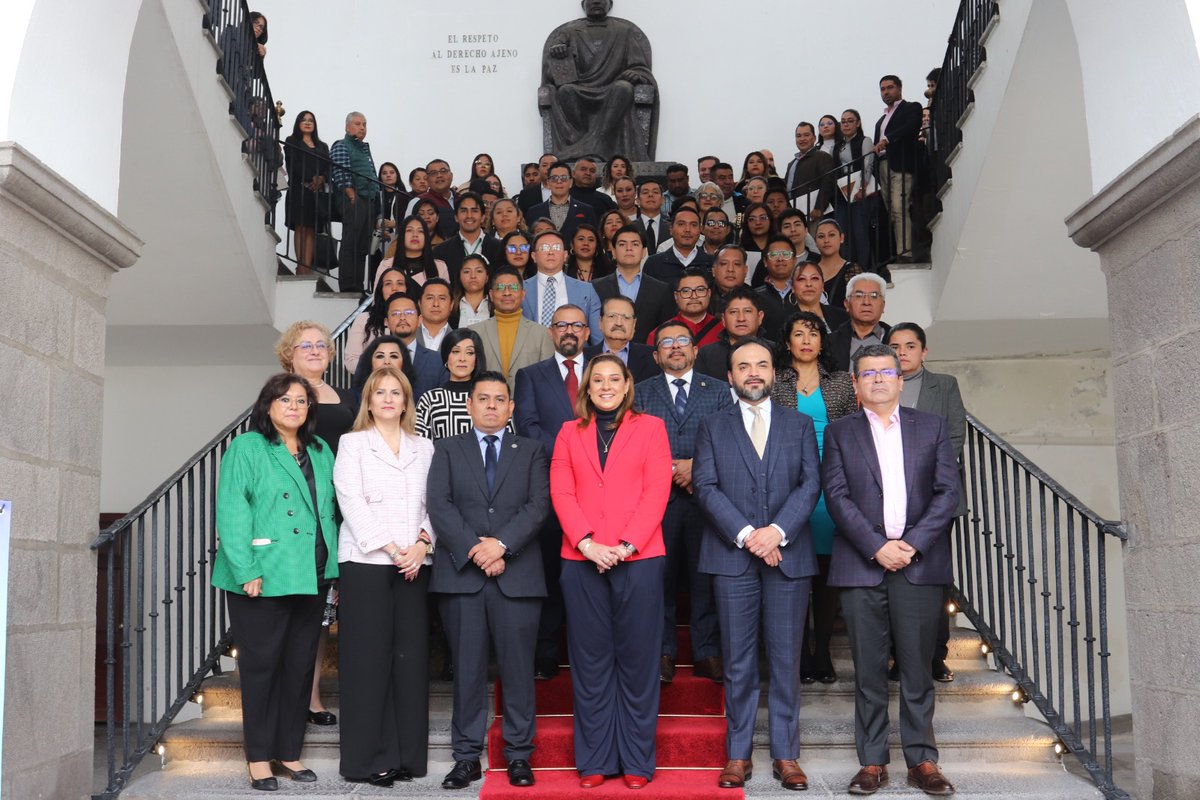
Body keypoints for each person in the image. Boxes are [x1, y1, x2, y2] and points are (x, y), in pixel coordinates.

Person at [822, 344, 961, 796]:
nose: (878, 379)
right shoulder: (840, 432)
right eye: (868, 373)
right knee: (867, 670)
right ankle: (872, 761)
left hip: (918, 566)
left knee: (918, 668)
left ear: (902, 381)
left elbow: (947, 494)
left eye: (887, 371)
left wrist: (912, 545)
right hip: (862, 567)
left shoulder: (932, 427)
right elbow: (837, 496)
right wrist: (877, 547)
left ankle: (922, 759)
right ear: (856, 385)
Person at [692, 338, 821, 792]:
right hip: (733, 558)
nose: (752, 372)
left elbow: (811, 485)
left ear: (774, 372)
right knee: (739, 662)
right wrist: (750, 536)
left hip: (788, 556)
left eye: (761, 365)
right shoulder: (712, 425)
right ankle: (738, 754)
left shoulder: (800, 424)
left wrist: (777, 532)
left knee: (786, 661)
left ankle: (786, 755)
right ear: (729, 376)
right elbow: (705, 487)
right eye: (742, 366)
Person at [550, 354, 673, 789]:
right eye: (596, 379)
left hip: (638, 558)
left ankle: (637, 761)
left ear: (626, 385)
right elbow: (561, 490)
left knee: (638, 663)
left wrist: (623, 547)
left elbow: (657, 491)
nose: (605, 385)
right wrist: (586, 543)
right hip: (581, 560)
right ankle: (595, 759)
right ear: (587, 388)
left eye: (612, 379)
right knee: (590, 664)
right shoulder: (569, 432)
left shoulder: (652, 428)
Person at [211, 373, 338, 790]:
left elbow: (330, 510)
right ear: (268, 405)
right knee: (262, 668)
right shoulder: (247, 447)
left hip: (312, 572)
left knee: (299, 667)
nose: (294, 407)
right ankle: (259, 759)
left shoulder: (319, 450)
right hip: (262, 575)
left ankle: (289, 752)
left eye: (302, 401)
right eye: (285, 400)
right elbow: (232, 510)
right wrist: (246, 570)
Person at [426, 370, 551, 791]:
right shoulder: (445, 449)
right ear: (469, 405)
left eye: (500, 399)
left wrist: (500, 545)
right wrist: (476, 550)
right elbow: (438, 504)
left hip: (518, 576)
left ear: (512, 407)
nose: (492, 406)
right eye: (484, 399)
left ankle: (518, 755)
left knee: (518, 671)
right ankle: (466, 758)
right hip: (462, 577)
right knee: (466, 671)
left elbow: (538, 506)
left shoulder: (532, 450)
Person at [334, 367, 436, 786]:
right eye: (381, 392)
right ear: (369, 401)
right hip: (366, 562)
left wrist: (423, 544)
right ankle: (366, 760)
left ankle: (408, 758)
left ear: (406, 400)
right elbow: (350, 500)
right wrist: (394, 548)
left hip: (416, 564)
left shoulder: (425, 447)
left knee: (409, 662)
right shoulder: (353, 443)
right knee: (367, 663)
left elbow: (438, 501)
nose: (389, 398)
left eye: (397, 392)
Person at [634, 322, 732, 684]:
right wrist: (674, 468)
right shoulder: (640, 393)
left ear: (694, 350)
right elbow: (636, 445)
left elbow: (727, 440)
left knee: (704, 577)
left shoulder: (720, 392)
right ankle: (662, 652)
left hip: (706, 500)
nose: (675, 348)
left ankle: (707, 652)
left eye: (682, 342)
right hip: (656, 503)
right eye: (666, 344)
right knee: (658, 579)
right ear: (656, 355)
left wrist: (697, 468)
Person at [770, 312, 858, 684]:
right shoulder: (774, 381)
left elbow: (854, 434)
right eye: (798, 334)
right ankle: (799, 656)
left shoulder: (840, 383)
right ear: (787, 342)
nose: (807, 340)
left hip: (832, 484)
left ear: (823, 342)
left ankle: (821, 652)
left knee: (825, 575)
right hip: (787, 485)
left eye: (814, 333)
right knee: (794, 575)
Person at [513, 304, 591, 680]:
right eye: (562, 325)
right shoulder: (531, 375)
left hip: (598, 490)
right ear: (550, 333)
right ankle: (545, 655)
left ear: (588, 332)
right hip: (547, 488)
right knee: (548, 573)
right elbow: (526, 425)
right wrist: (569, 456)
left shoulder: (604, 374)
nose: (569, 331)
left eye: (577, 325)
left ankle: (586, 655)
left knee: (588, 576)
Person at [887, 322, 967, 683]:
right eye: (895, 346)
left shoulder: (945, 385)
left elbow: (954, 437)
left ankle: (936, 655)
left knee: (933, 579)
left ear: (923, 351)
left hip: (934, 498)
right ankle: (897, 656)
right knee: (891, 580)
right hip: (886, 500)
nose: (902, 352)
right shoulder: (878, 384)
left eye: (909, 346)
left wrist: (919, 478)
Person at [541, 1, 657, 161]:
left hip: (613, 88)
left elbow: (640, 66)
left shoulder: (624, 32)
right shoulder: (568, 33)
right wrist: (558, 54)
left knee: (623, 87)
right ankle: (586, 142)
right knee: (566, 90)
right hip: (581, 87)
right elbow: (552, 74)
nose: (596, 2)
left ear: (609, 4)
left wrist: (635, 73)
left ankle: (593, 143)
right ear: (584, 5)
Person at [468, 265, 554, 389]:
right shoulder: (474, 332)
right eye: (500, 287)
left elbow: (547, 379)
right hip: (486, 403)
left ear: (523, 294)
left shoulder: (542, 333)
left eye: (513, 287)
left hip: (527, 405)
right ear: (491, 295)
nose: (507, 293)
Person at [352, 292, 446, 401]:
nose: (402, 318)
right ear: (386, 322)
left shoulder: (437, 361)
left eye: (409, 312)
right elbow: (358, 397)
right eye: (396, 313)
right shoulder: (369, 357)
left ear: (420, 320)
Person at [592, 225, 674, 344]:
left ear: (644, 252)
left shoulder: (661, 289)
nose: (629, 248)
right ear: (613, 252)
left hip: (647, 357)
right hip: (606, 357)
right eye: (622, 244)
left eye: (635, 244)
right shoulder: (595, 287)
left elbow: (665, 331)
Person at [873, 75, 925, 262]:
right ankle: (900, 249)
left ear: (900, 88)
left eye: (890, 87)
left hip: (901, 164)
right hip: (883, 166)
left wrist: (887, 139)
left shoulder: (912, 107)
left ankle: (906, 252)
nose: (886, 92)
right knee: (892, 212)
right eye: (883, 89)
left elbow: (911, 126)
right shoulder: (881, 119)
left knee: (899, 207)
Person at [522, 229, 603, 343]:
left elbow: (597, 338)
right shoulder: (520, 289)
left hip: (574, 356)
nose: (550, 252)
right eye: (544, 248)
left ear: (565, 255)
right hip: (531, 357)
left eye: (556, 248)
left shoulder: (586, 290)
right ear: (534, 256)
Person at [415, 328, 493, 440]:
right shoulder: (430, 400)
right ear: (446, 356)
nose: (462, 359)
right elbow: (419, 447)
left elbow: (506, 441)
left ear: (477, 359)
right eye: (456, 351)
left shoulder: (490, 398)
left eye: (469, 353)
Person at [329, 112, 377, 293]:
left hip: (367, 199)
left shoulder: (363, 149)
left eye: (364, 124)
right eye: (357, 124)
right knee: (351, 243)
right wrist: (351, 196)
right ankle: (348, 285)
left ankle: (358, 285)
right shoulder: (341, 145)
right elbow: (340, 172)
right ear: (347, 126)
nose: (362, 127)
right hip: (355, 199)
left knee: (362, 245)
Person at [283, 111, 330, 275]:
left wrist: (322, 178)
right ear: (298, 123)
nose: (308, 123)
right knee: (300, 228)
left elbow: (328, 167)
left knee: (311, 229)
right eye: (304, 120)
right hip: (299, 190)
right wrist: (312, 177)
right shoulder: (291, 141)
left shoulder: (323, 146)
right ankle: (300, 266)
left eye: (311, 120)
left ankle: (307, 267)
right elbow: (293, 165)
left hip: (315, 194)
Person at [833, 109, 877, 268]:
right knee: (844, 235)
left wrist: (862, 188)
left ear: (858, 123)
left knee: (860, 233)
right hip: (843, 195)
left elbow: (868, 163)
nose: (846, 124)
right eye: (843, 121)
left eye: (850, 121)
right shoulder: (837, 146)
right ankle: (848, 270)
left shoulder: (865, 140)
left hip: (860, 193)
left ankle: (865, 268)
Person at [695, 286, 769, 379]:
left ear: (760, 317)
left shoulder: (775, 351)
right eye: (733, 312)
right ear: (723, 319)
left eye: (747, 311)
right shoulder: (706, 355)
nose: (741, 318)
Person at [583, 295, 660, 382]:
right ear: (600, 322)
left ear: (634, 324)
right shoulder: (583, 357)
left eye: (626, 317)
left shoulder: (653, 357)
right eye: (612, 316)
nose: (619, 323)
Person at [344, 267, 407, 374]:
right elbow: (351, 362)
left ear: (407, 289)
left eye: (400, 283)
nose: (394, 288)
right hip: (370, 384)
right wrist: (382, 367)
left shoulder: (414, 320)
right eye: (388, 284)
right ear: (380, 289)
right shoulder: (364, 319)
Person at [828, 272, 892, 372]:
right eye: (858, 295)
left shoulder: (894, 339)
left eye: (874, 296)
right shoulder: (830, 342)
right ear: (847, 304)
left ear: (883, 305)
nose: (866, 302)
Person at [432, 192, 504, 279]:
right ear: (456, 217)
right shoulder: (441, 252)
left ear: (483, 217)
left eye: (474, 211)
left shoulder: (499, 248)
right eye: (464, 211)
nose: (469, 216)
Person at [652, 268, 724, 348]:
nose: (694, 296)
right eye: (686, 291)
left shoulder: (724, 329)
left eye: (700, 290)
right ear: (676, 297)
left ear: (709, 293)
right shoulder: (659, 334)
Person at [524, 161, 597, 239]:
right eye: (554, 178)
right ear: (548, 183)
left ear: (571, 182)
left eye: (564, 178)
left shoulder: (586, 210)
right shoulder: (533, 212)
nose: (559, 182)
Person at [644, 206, 714, 285]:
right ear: (671, 229)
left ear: (700, 230)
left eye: (693, 225)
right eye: (681, 224)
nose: (687, 230)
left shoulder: (712, 263)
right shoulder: (653, 263)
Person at [783, 122, 836, 222]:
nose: (802, 139)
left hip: (814, 215)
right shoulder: (791, 164)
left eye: (806, 135)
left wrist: (819, 207)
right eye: (798, 136)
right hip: (794, 216)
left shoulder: (822, 157)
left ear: (814, 138)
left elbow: (828, 182)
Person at [755, 234, 801, 340]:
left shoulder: (804, 293)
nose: (780, 259)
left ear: (794, 260)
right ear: (765, 262)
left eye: (786, 254)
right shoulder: (755, 296)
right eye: (774, 254)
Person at [814, 218, 863, 309]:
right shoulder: (810, 271)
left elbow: (859, 304)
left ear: (841, 238)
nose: (826, 240)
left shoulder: (852, 270)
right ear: (815, 241)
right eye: (821, 236)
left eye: (831, 235)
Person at [790, 260, 850, 333]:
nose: (809, 284)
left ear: (822, 285)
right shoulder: (782, 319)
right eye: (801, 279)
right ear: (792, 287)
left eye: (814, 278)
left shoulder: (842, 316)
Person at [452, 253, 492, 329]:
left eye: (479, 271)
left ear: (487, 277)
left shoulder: (496, 306)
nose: (473, 276)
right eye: (467, 272)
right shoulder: (450, 307)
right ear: (459, 277)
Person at [415, 278, 454, 352]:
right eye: (430, 298)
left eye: (442, 298)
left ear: (451, 305)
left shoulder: (460, 341)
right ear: (419, 303)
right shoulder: (406, 339)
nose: (436, 304)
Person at [633, 180, 667, 251]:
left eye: (655, 192)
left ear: (662, 200)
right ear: (637, 201)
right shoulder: (629, 227)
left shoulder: (672, 228)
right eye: (645, 192)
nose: (650, 195)